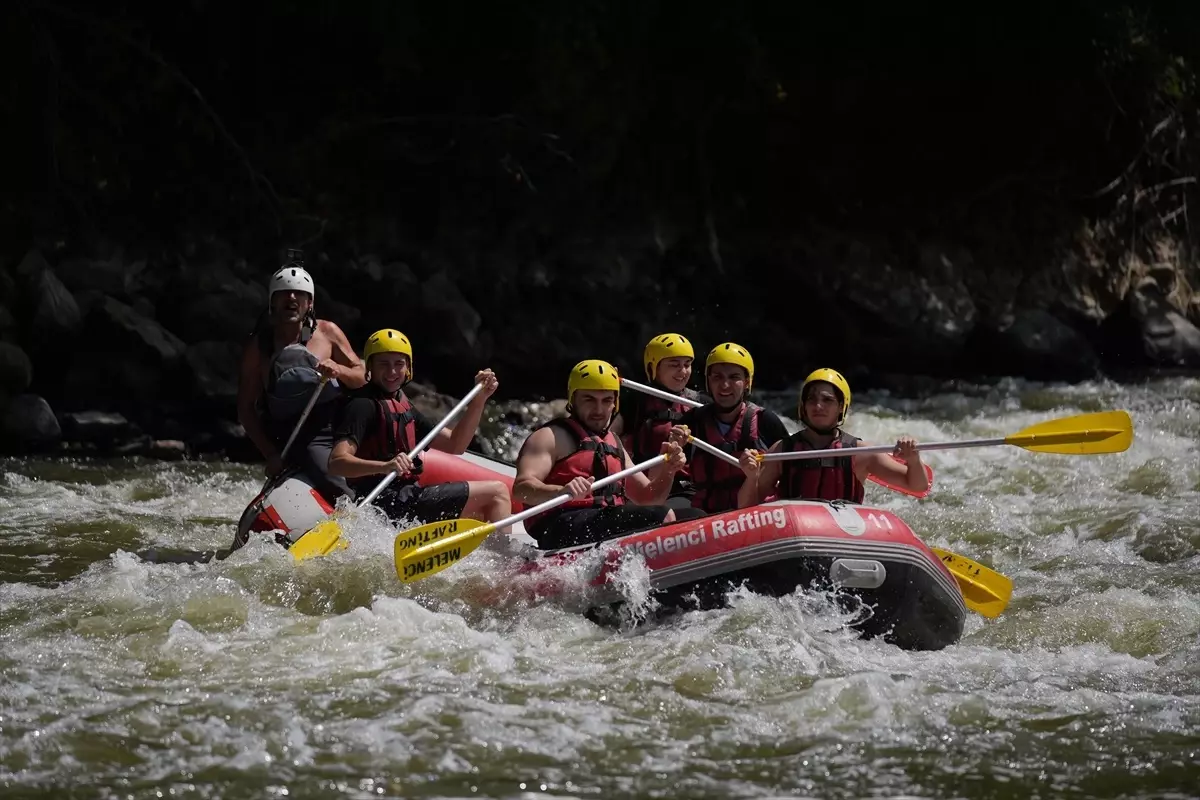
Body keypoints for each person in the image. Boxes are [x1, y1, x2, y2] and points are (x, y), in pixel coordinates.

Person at [327, 328, 511, 526]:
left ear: (408, 367)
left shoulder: (402, 404)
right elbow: (337, 462)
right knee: (497, 492)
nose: (392, 372)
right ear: (370, 366)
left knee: (482, 507)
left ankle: (493, 552)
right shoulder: (361, 405)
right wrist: (385, 466)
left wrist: (479, 400)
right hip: (384, 503)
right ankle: (507, 557)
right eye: (383, 364)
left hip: (406, 498)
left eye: (399, 364)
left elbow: (456, 445)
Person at [513, 359, 688, 550]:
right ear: (573, 399)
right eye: (589, 399)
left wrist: (668, 470)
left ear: (615, 403)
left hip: (602, 521)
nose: (598, 410)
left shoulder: (614, 443)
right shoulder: (550, 437)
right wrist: (560, 491)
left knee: (692, 516)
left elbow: (649, 498)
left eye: (607, 401)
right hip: (560, 526)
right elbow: (521, 489)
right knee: (660, 516)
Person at [236, 256, 366, 504]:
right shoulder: (259, 346)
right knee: (330, 476)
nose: (292, 298)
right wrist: (271, 454)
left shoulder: (327, 332)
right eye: (284, 294)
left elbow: (361, 376)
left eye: (299, 294)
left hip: (337, 422)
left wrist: (338, 369)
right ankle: (354, 509)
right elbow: (245, 409)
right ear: (272, 302)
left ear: (310, 303)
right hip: (297, 433)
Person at [747, 368, 928, 504]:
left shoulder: (861, 453)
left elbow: (917, 486)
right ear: (804, 406)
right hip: (795, 535)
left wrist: (913, 460)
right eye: (812, 400)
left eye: (827, 400)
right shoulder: (782, 450)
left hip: (842, 535)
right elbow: (748, 504)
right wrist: (751, 476)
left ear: (841, 406)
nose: (818, 406)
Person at [668, 342, 789, 514]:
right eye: (717, 377)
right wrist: (671, 450)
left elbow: (790, 475)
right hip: (706, 516)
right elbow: (665, 479)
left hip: (755, 515)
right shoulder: (692, 422)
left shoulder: (766, 421)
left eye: (733, 377)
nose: (725, 385)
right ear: (708, 380)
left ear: (747, 382)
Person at [610, 333, 702, 508]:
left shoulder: (700, 403)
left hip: (684, 490)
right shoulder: (636, 401)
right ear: (654, 367)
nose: (683, 372)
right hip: (644, 489)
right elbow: (607, 436)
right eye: (674, 365)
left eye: (687, 365)